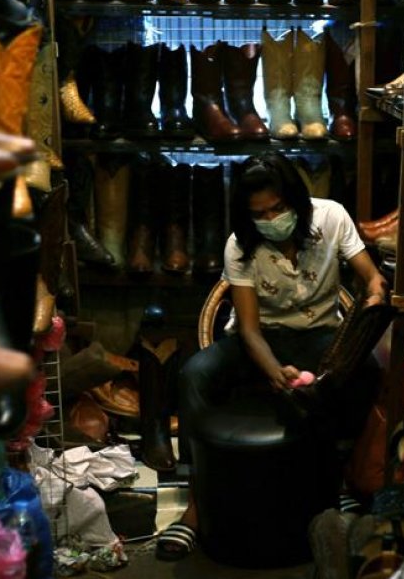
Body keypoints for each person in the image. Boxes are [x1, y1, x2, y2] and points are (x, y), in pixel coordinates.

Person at [155, 152, 388, 561]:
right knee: (194, 374)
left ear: (294, 199)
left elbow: (370, 276)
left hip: (320, 336)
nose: (271, 218)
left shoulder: (331, 217)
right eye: (259, 213)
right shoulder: (240, 245)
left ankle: (341, 486)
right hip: (260, 341)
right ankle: (196, 506)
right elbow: (248, 329)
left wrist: (373, 295)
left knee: (365, 371)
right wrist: (274, 372)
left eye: (277, 208)